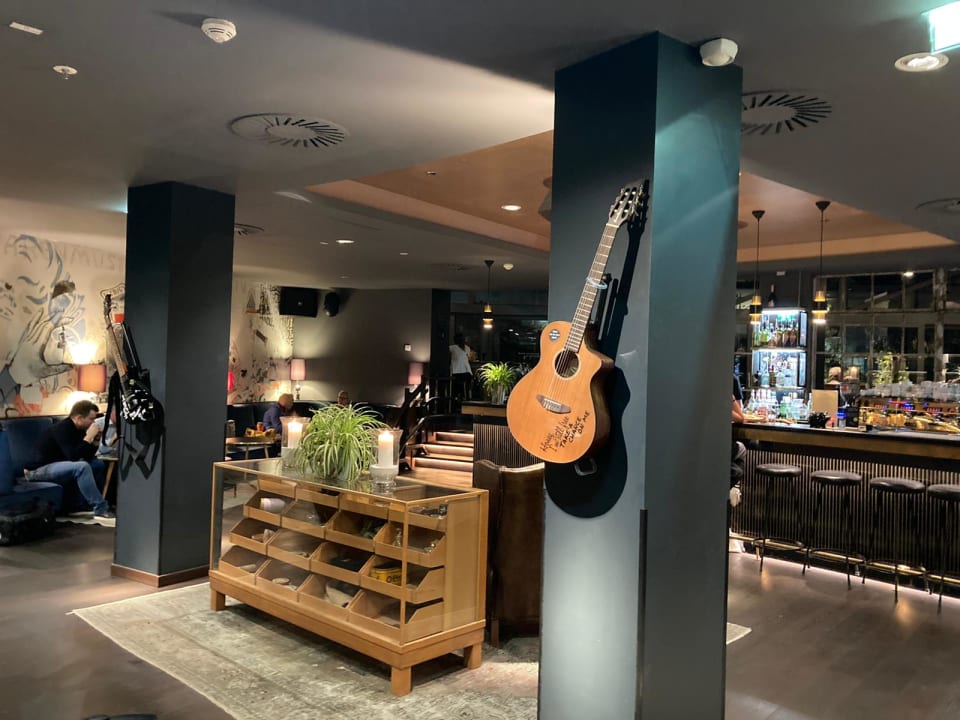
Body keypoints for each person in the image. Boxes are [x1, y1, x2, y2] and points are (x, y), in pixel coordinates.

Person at [25, 399, 113, 522]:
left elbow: (86, 456)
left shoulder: (79, 430)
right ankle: (101, 508)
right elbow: (73, 457)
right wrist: (88, 437)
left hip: (57, 466)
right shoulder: (62, 428)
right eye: (91, 419)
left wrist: (95, 441)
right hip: (37, 470)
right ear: (79, 418)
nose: (93, 423)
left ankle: (80, 506)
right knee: (82, 467)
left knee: (97, 464)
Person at [449, 333, 473, 401]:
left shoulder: (466, 348)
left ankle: (463, 397)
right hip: (462, 371)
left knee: (459, 385)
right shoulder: (454, 348)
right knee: (461, 385)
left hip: (462, 371)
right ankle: (464, 397)